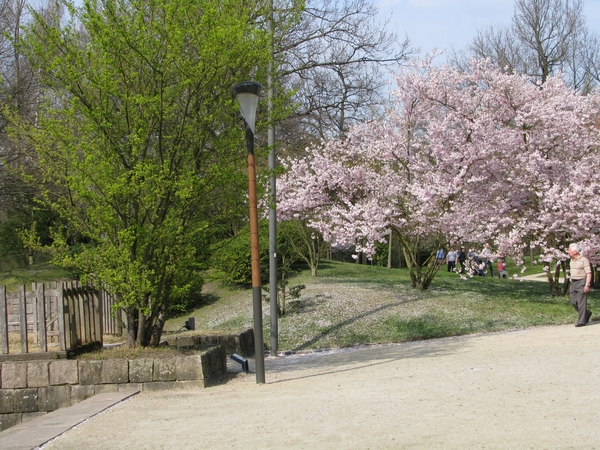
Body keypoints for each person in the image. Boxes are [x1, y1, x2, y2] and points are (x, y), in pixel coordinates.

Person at [567, 243, 593, 327]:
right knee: (573, 302)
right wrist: (571, 284)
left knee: (581, 302)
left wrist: (587, 284)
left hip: (582, 281)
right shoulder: (571, 260)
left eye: (569, 250)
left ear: (575, 251)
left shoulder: (584, 260)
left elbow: (588, 273)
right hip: (573, 282)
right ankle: (587, 313)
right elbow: (572, 273)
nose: (568, 251)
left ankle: (582, 321)